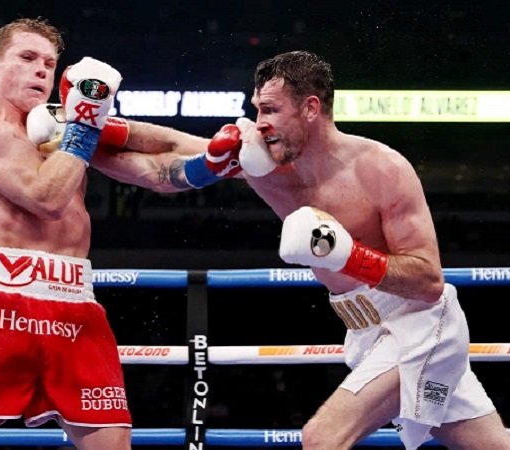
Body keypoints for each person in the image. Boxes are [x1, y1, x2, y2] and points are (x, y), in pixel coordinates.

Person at [0, 17, 211, 450]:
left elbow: (155, 156)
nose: (41, 71)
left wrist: (220, 152)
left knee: (113, 441)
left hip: (75, 306)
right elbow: (45, 198)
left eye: (50, 64)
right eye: (28, 58)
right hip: (1, 301)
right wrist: (84, 127)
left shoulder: (65, 128)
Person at [199, 51, 510, 450]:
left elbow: (430, 282)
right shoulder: (272, 167)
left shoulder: (380, 167)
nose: (260, 123)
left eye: (271, 109)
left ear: (311, 107)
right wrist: (103, 129)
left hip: (419, 328)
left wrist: (349, 257)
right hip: (369, 332)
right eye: (257, 109)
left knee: (322, 438)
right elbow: (170, 155)